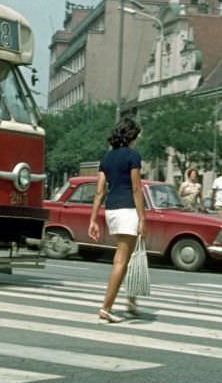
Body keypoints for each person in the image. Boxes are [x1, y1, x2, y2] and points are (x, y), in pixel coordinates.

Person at [88, 118, 147, 323]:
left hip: (111, 210)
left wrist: (93, 220)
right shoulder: (133, 156)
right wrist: (142, 218)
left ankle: (130, 302)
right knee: (121, 260)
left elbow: (98, 191)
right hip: (128, 209)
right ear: (131, 136)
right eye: (137, 135)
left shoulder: (107, 158)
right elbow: (136, 188)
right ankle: (106, 307)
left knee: (128, 258)